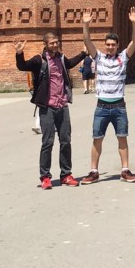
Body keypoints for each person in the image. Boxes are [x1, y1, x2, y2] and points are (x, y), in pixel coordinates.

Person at [15, 31, 87, 189]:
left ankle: (66, 174)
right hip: (47, 107)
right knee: (47, 142)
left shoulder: (61, 58)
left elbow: (70, 63)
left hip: (62, 105)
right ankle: (45, 177)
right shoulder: (38, 60)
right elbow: (23, 66)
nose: (55, 44)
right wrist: (19, 53)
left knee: (66, 141)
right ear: (45, 45)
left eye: (56, 42)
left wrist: (84, 53)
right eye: (52, 43)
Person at [79, 7, 135, 184]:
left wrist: (134, 24)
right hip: (102, 106)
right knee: (97, 139)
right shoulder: (99, 58)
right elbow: (87, 40)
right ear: (105, 45)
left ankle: (125, 170)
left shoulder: (123, 57)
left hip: (119, 105)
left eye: (113, 45)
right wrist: (85, 24)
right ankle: (93, 171)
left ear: (117, 46)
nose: (111, 47)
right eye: (108, 45)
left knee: (122, 138)